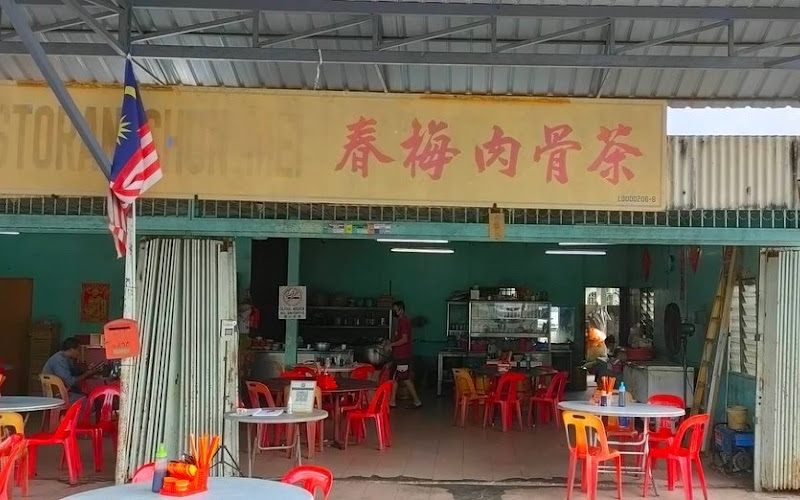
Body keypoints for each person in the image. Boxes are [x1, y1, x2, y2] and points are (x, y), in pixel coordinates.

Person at [41, 337, 103, 404]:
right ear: (71, 349)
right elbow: (70, 382)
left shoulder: (64, 358)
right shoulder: (60, 360)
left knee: (87, 395)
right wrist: (87, 373)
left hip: (59, 393)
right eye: (78, 350)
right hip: (59, 396)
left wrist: (87, 369)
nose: (79, 353)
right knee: (91, 402)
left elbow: (74, 372)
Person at [385, 301, 422, 409]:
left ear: (401, 310)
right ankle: (392, 401)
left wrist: (391, 344)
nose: (394, 312)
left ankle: (416, 401)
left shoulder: (404, 321)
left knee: (405, 378)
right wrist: (390, 342)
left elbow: (405, 339)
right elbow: (399, 338)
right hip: (398, 355)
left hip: (403, 356)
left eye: (395, 310)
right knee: (395, 378)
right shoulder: (400, 321)